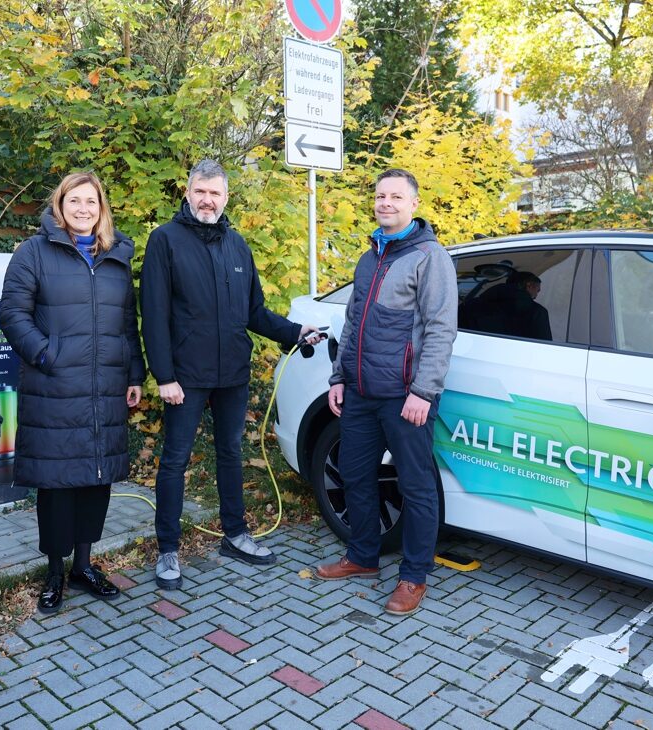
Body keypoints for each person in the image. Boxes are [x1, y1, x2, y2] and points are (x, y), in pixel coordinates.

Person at [140, 159, 321, 590]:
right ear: (187, 193)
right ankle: (168, 548)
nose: (207, 200)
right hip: (185, 375)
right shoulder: (165, 240)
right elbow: (154, 314)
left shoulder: (237, 245)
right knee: (175, 459)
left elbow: (254, 311)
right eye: (200, 192)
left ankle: (235, 535)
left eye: (215, 193)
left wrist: (296, 332)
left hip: (233, 373)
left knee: (231, 453)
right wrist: (164, 376)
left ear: (226, 197)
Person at [314, 168, 458, 616]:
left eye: (396, 197)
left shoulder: (429, 257)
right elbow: (352, 323)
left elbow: (440, 329)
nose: (386, 203)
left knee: (416, 486)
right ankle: (362, 556)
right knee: (355, 473)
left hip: (405, 396)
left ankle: (414, 576)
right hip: (360, 392)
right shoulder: (369, 257)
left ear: (414, 204)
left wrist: (423, 392)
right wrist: (339, 378)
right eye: (380, 196)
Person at [0, 172, 145, 614]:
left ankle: (83, 566)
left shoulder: (117, 256)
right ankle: (54, 571)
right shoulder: (33, 253)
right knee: (58, 484)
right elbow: (13, 314)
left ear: (102, 208)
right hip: (55, 387)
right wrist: (47, 355)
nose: (83, 209)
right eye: (74, 201)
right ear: (60, 206)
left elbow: (127, 323)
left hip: (105, 388)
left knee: (96, 479)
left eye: (91, 201)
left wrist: (134, 374)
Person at [462, 270, 551, 340]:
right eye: (537, 291)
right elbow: (545, 347)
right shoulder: (537, 312)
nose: (535, 296)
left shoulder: (472, 304)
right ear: (529, 286)